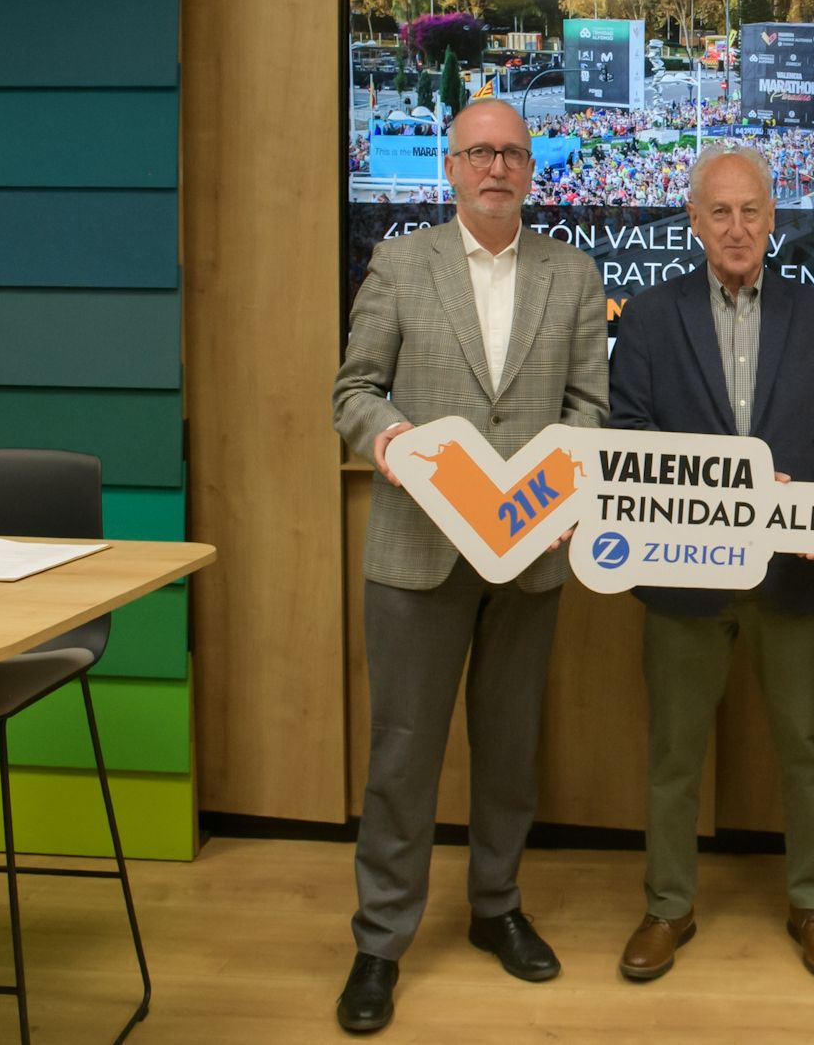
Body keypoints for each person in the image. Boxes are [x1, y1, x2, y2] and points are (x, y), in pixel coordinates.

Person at [331, 97, 609, 1033]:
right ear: (449, 167)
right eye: (479, 152)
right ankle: (380, 941)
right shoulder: (401, 264)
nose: (497, 167)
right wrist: (396, 443)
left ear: (532, 169)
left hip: (529, 553)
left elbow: (588, 408)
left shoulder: (573, 274)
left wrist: (562, 493)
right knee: (403, 755)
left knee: (509, 746)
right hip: (418, 549)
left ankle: (496, 906)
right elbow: (355, 392)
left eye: (512, 154)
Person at [606, 145, 814, 983]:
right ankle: (667, 908)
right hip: (684, 573)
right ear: (693, 221)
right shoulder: (649, 315)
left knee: (807, 749)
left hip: (791, 571)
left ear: (772, 218)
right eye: (720, 212)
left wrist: (808, 500)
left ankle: (813, 902)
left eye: (751, 211)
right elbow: (628, 436)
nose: (737, 227)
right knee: (674, 754)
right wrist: (716, 489)